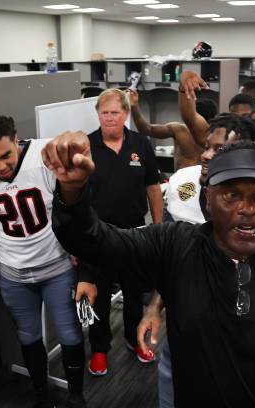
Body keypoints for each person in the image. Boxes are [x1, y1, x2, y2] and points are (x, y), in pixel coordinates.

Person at [44, 134, 255, 406]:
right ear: (207, 200)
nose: (246, 209)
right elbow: (95, 243)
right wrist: (72, 193)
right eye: (231, 195)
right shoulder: (176, 246)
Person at [150, 114, 255, 407]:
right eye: (208, 146)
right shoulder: (183, 186)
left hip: (248, 343)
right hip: (185, 335)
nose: (207, 155)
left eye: (220, 150)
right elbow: (177, 263)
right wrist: (154, 307)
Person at [0, 114, 93, 408]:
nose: (0, 166)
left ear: (16, 140)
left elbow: (82, 219)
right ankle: (42, 397)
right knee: (28, 336)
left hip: (56, 267)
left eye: (5, 156)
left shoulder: (45, 158)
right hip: (13, 273)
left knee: (69, 334)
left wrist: (88, 273)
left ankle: (76, 397)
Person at [84, 88, 163, 375]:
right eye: (104, 112)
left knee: (133, 294)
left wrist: (157, 229)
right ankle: (100, 350)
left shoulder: (140, 143)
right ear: (98, 115)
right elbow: (77, 194)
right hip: (98, 236)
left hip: (135, 234)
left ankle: (134, 339)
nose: (109, 118)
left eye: (115, 112)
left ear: (126, 114)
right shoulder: (87, 145)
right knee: (99, 297)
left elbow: (153, 188)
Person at [129, 89, 218, 170]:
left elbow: (146, 129)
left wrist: (134, 107)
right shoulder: (179, 130)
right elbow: (146, 129)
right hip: (182, 183)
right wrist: (134, 107)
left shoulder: (215, 138)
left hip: (197, 181)